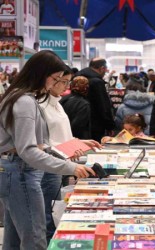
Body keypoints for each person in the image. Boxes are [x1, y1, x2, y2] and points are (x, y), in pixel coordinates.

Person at [0, 50, 95, 249]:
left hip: (13, 170)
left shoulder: (19, 97)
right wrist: (69, 167)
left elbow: (36, 145)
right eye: (55, 79)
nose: (55, 84)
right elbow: (28, 150)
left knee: (15, 236)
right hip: (21, 172)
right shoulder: (24, 101)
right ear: (41, 74)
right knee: (35, 235)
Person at [38, 68, 101, 243]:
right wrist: (68, 148)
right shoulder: (39, 105)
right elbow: (44, 143)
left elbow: (63, 135)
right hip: (49, 165)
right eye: (64, 81)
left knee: (54, 208)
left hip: (61, 163)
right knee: (48, 214)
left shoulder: (57, 103)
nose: (67, 86)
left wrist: (80, 142)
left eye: (68, 82)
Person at [76, 58, 115, 142]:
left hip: (79, 123)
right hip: (95, 125)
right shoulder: (97, 82)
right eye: (105, 70)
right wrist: (110, 126)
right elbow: (103, 106)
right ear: (102, 68)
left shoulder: (77, 78)